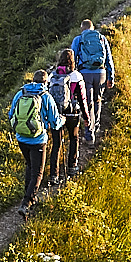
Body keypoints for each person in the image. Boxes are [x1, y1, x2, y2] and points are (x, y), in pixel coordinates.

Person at [7, 69, 63, 213]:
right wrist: (62, 120)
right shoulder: (46, 96)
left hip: (21, 138)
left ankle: (29, 195)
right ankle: (27, 202)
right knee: (38, 172)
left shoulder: (21, 93)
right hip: (38, 140)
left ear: (33, 80)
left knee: (30, 166)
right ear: (46, 82)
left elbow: (11, 114)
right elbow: (55, 122)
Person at [46, 49, 89, 183]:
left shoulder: (51, 76)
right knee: (74, 138)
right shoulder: (76, 76)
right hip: (72, 113)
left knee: (56, 144)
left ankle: (54, 174)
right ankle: (72, 167)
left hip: (56, 114)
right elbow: (82, 99)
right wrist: (86, 117)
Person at [71, 19, 115, 140]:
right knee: (97, 100)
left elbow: (73, 58)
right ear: (93, 27)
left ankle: (89, 133)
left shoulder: (78, 39)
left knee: (88, 102)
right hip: (101, 73)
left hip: (85, 73)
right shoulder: (102, 38)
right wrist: (111, 77)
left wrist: (72, 76)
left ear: (82, 28)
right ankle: (96, 126)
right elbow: (109, 59)